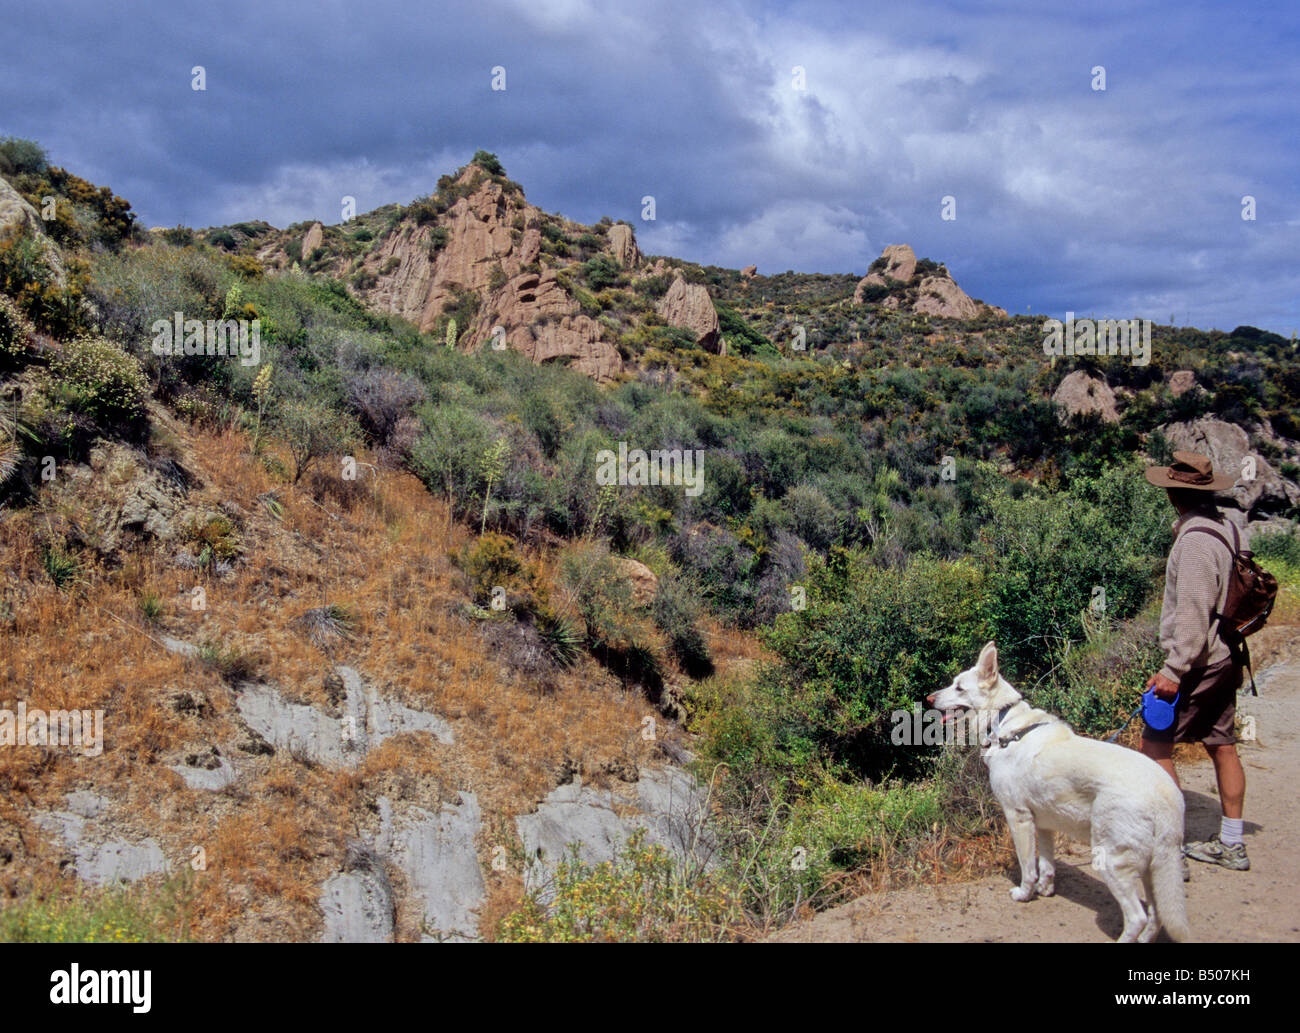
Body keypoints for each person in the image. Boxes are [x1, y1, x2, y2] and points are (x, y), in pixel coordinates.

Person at [1141, 450, 1249, 872]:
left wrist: (1173, 670)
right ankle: (1232, 845)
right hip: (1227, 655)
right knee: (1222, 745)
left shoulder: (1195, 542)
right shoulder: (1229, 529)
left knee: (1154, 749)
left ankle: (1170, 853)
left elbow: (1193, 611)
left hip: (1199, 662)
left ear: (1173, 492)